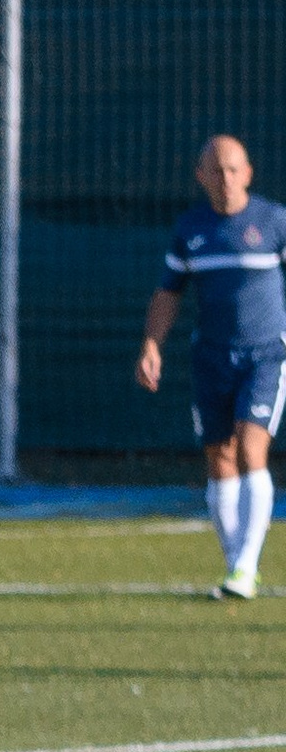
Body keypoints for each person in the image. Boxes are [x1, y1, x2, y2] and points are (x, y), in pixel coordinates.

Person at [137, 134, 286, 599]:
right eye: (215, 171)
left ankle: (244, 567)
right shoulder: (191, 229)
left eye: (233, 169)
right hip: (211, 358)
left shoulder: (274, 221)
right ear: (201, 177)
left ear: (248, 173)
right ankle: (236, 567)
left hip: (266, 355)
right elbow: (168, 293)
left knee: (250, 447)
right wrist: (151, 345)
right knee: (219, 460)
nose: (225, 179)